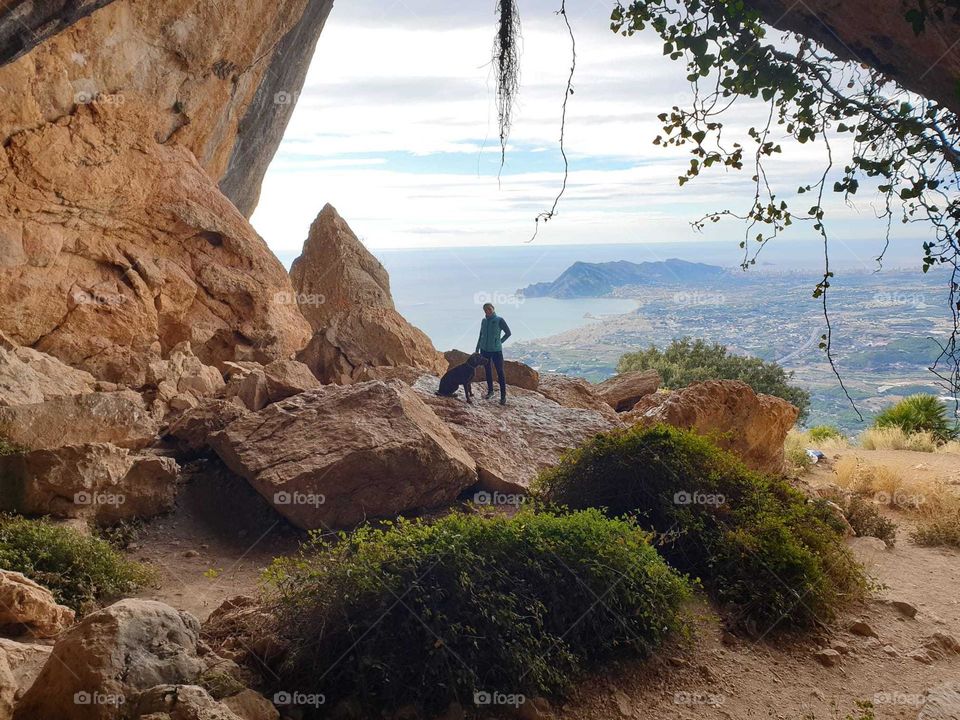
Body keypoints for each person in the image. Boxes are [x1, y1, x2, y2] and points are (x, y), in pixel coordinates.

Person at [475, 302, 511, 405]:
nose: (488, 311)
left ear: (493, 309)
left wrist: (499, 342)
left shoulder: (499, 320)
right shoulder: (484, 321)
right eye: (485, 310)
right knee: (487, 371)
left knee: (500, 372)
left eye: (489, 309)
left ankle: (503, 396)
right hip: (484, 349)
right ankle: (490, 391)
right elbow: (481, 334)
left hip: (496, 351)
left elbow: (508, 333)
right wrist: (477, 347)